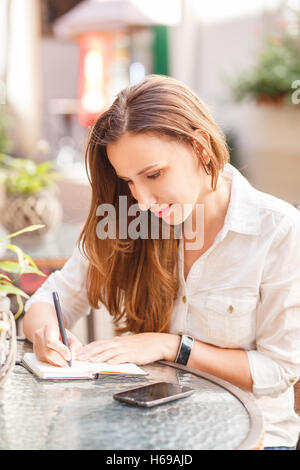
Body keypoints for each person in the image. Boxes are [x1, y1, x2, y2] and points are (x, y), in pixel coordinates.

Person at [23, 74, 300, 450]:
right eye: (129, 182)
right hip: (151, 432)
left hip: (256, 438)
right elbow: (49, 299)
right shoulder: (129, 221)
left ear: (201, 147)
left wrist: (172, 345)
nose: (142, 199)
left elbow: (279, 371)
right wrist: (46, 334)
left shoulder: (278, 230)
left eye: (154, 174)